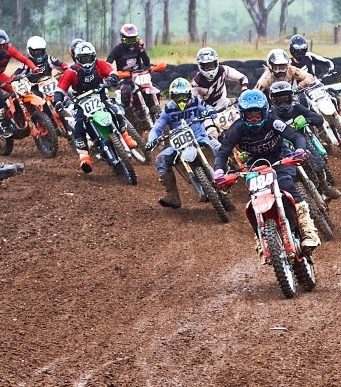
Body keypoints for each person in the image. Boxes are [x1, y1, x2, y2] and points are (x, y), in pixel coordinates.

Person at [212, 89, 321, 250]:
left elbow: (295, 136)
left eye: (257, 114)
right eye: (249, 116)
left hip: (280, 156)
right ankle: (262, 239)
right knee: (255, 196)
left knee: (286, 184)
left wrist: (300, 151)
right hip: (256, 163)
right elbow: (223, 153)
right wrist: (219, 172)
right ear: (242, 115)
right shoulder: (236, 129)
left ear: (265, 112)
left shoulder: (273, 121)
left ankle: (308, 231)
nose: (254, 119)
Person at [145, 77, 222, 208]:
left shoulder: (196, 102)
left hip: (200, 138)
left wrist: (209, 112)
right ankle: (172, 196)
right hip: (179, 144)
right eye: (177, 96)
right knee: (161, 159)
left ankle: (226, 174)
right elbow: (157, 128)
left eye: (184, 96)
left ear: (189, 95)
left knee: (220, 148)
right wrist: (151, 141)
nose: (181, 100)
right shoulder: (168, 110)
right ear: (172, 96)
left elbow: (210, 111)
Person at [54, 41, 124, 173]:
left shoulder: (100, 64)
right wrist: (58, 101)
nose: (87, 62)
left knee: (115, 110)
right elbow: (60, 90)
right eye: (83, 59)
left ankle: (126, 136)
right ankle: (84, 157)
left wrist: (112, 78)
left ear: (94, 57)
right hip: (80, 101)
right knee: (79, 123)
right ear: (77, 59)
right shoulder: (71, 72)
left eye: (89, 58)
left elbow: (112, 71)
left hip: (100, 95)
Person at [268, 79, 338, 199]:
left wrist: (307, 120)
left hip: (303, 139)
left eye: (286, 99)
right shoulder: (270, 115)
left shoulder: (297, 108)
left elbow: (319, 119)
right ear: (273, 100)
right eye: (279, 100)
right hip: (282, 146)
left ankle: (325, 185)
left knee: (317, 159)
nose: (283, 104)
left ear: (291, 98)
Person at [0, 29, 36, 137]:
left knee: (18, 89)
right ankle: (1, 124)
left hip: (1, 76)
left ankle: (19, 114)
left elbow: (24, 59)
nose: (2, 48)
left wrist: (34, 67)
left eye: (4, 45)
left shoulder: (10, 50)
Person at [106, 23, 152, 111]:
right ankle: (127, 110)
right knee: (126, 91)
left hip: (139, 77)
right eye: (128, 40)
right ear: (123, 39)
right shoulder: (118, 49)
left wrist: (142, 50)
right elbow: (108, 63)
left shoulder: (138, 47)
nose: (131, 43)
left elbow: (147, 62)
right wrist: (112, 73)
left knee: (153, 87)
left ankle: (153, 108)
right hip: (124, 78)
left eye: (133, 39)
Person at [254, 47, 319, 93]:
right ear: (270, 66)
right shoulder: (265, 80)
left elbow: (310, 77)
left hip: (291, 99)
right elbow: (255, 94)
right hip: (274, 104)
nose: (280, 71)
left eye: (283, 67)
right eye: (276, 67)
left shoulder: (291, 70)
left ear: (287, 65)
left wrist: (304, 83)